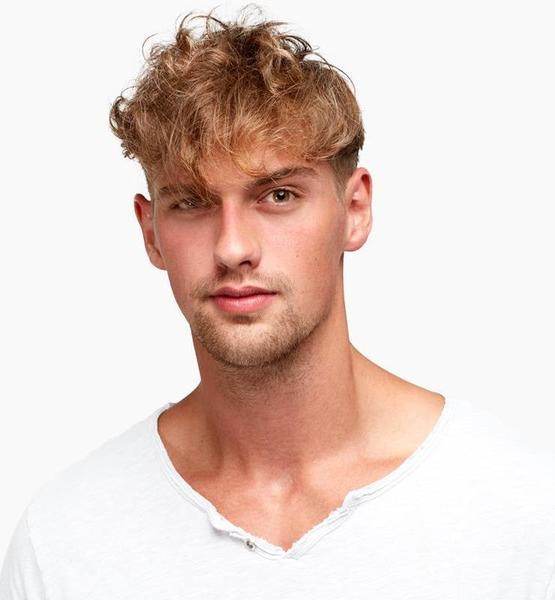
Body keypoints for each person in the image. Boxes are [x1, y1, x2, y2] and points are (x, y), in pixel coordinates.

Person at [1, 7, 554, 599]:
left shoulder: (516, 512)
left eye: (279, 195)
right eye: (191, 202)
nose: (233, 247)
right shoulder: (66, 539)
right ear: (150, 231)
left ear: (355, 210)